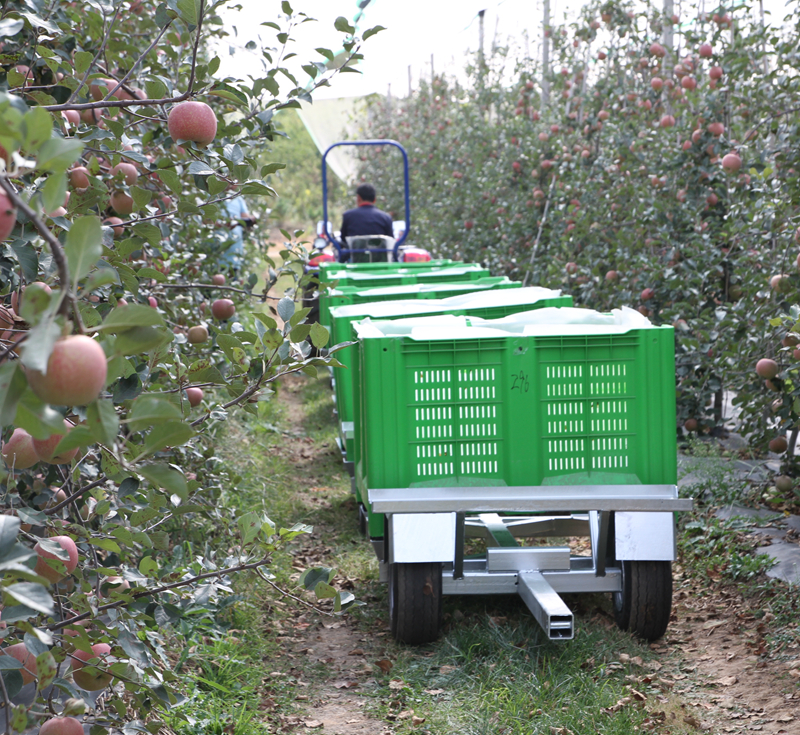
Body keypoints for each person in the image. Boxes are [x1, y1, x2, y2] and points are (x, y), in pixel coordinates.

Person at [219, 195, 256, 272]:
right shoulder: (211, 197)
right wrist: (223, 224)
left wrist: (250, 221)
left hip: (233, 257)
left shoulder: (238, 199)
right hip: (215, 257)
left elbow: (246, 219)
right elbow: (204, 221)